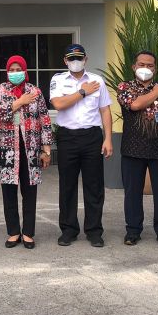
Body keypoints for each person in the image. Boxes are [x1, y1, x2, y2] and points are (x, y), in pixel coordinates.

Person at [49, 44, 113, 247]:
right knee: (67, 186)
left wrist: (108, 138)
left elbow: (105, 111)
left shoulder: (97, 80)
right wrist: (82, 92)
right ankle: (68, 230)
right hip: (67, 137)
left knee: (94, 186)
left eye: (79, 57)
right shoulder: (58, 80)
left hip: (92, 136)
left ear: (86, 59)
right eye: (71, 58)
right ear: (65, 61)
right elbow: (58, 104)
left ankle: (94, 231)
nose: (75, 61)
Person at [116, 50, 158, 248]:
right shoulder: (125, 87)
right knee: (132, 193)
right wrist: (155, 93)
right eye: (141, 64)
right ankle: (133, 231)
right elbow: (134, 105)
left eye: (150, 65)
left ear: (155, 68)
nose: (146, 68)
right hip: (132, 150)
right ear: (134, 67)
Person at [0, 55, 53, 249]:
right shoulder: (1, 90)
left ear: (25, 71)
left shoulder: (35, 91)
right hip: (6, 148)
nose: (15, 73)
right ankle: (13, 232)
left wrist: (47, 149)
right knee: (9, 191)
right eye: (12, 69)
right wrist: (18, 103)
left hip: (31, 148)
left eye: (19, 69)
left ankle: (28, 233)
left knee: (29, 191)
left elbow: (44, 118)